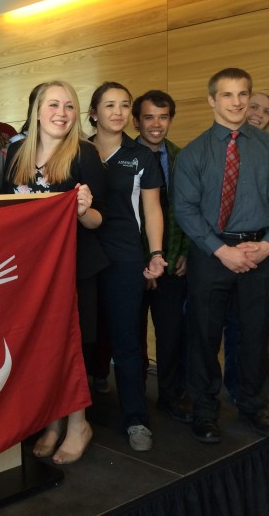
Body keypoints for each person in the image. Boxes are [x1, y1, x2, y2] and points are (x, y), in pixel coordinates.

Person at [1, 80, 107, 465]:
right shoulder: (15, 152)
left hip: (73, 269)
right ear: (37, 111)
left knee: (71, 346)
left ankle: (78, 423)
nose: (62, 113)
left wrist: (81, 210)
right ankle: (53, 421)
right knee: (44, 347)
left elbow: (97, 221)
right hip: (30, 271)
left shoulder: (85, 153)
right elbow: (1, 209)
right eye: (53, 105)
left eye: (69, 106)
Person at [173, 67, 269, 444]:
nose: (237, 102)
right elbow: (185, 209)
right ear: (212, 100)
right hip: (210, 254)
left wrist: (265, 247)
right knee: (203, 335)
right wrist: (221, 250)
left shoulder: (265, 147)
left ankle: (252, 404)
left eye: (243, 94)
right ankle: (204, 410)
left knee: (255, 335)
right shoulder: (195, 152)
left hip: (259, 253)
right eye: (227, 95)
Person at [89, 81, 166, 452]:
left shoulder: (141, 156)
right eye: (109, 105)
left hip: (125, 257)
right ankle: (80, 413)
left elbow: (152, 209)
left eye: (123, 105)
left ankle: (136, 418)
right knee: (85, 336)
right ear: (94, 113)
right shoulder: (78, 151)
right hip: (84, 256)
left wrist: (154, 253)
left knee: (128, 341)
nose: (117, 112)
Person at [132, 89, 191, 423]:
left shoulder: (182, 157)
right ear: (136, 120)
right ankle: (135, 398)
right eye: (149, 117)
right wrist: (144, 262)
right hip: (133, 264)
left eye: (163, 116)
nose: (156, 124)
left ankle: (170, 396)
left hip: (172, 262)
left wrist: (186, 253)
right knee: (133, 335)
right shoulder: (123, 158)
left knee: (172, 334)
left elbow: (188, 211)